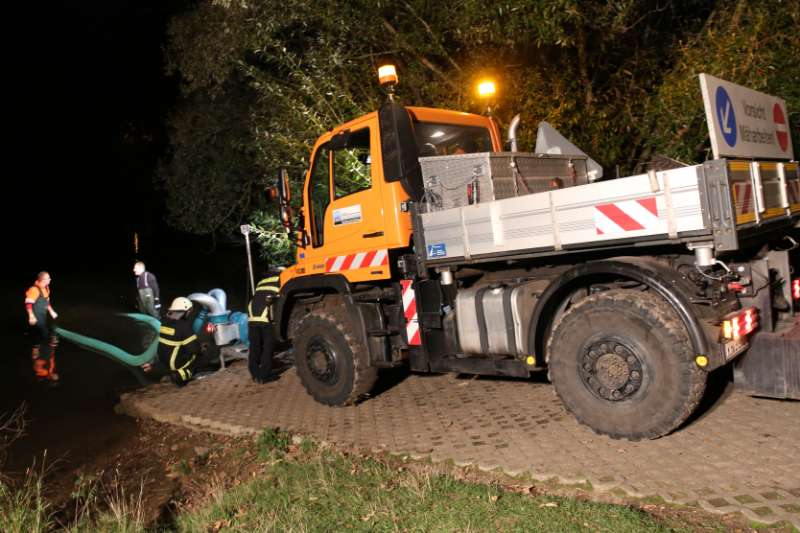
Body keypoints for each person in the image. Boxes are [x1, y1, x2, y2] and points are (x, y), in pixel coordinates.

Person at [149, 297, 202, 386]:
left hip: (163, 360)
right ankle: (179, 376)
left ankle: (170, 373)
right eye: (189, 311)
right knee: (197, 359)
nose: (189, 313)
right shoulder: (184, 327)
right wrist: (201, 348)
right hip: (174, 363)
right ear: (185, 312)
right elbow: (193, 349)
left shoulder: (164, 322)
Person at [247, 269, 282, 383]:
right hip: (265, 319)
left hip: (252, 318)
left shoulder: (261, 283)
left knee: (255, 347)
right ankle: (264, 376)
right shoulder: (280, 280)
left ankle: (254, 373)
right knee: (268, 347)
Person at [25, 271, 59, 381]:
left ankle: (40, 344)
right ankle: (35, 346)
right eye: (48, 278)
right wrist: (31, 316)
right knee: (40, 337)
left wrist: (51, 311)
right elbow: (28, 302)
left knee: (45, 335)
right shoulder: (34, 290)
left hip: (42, 316)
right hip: (35, 318)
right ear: (42, 280)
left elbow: (46, 301)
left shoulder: (46, 288)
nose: (50, 280)